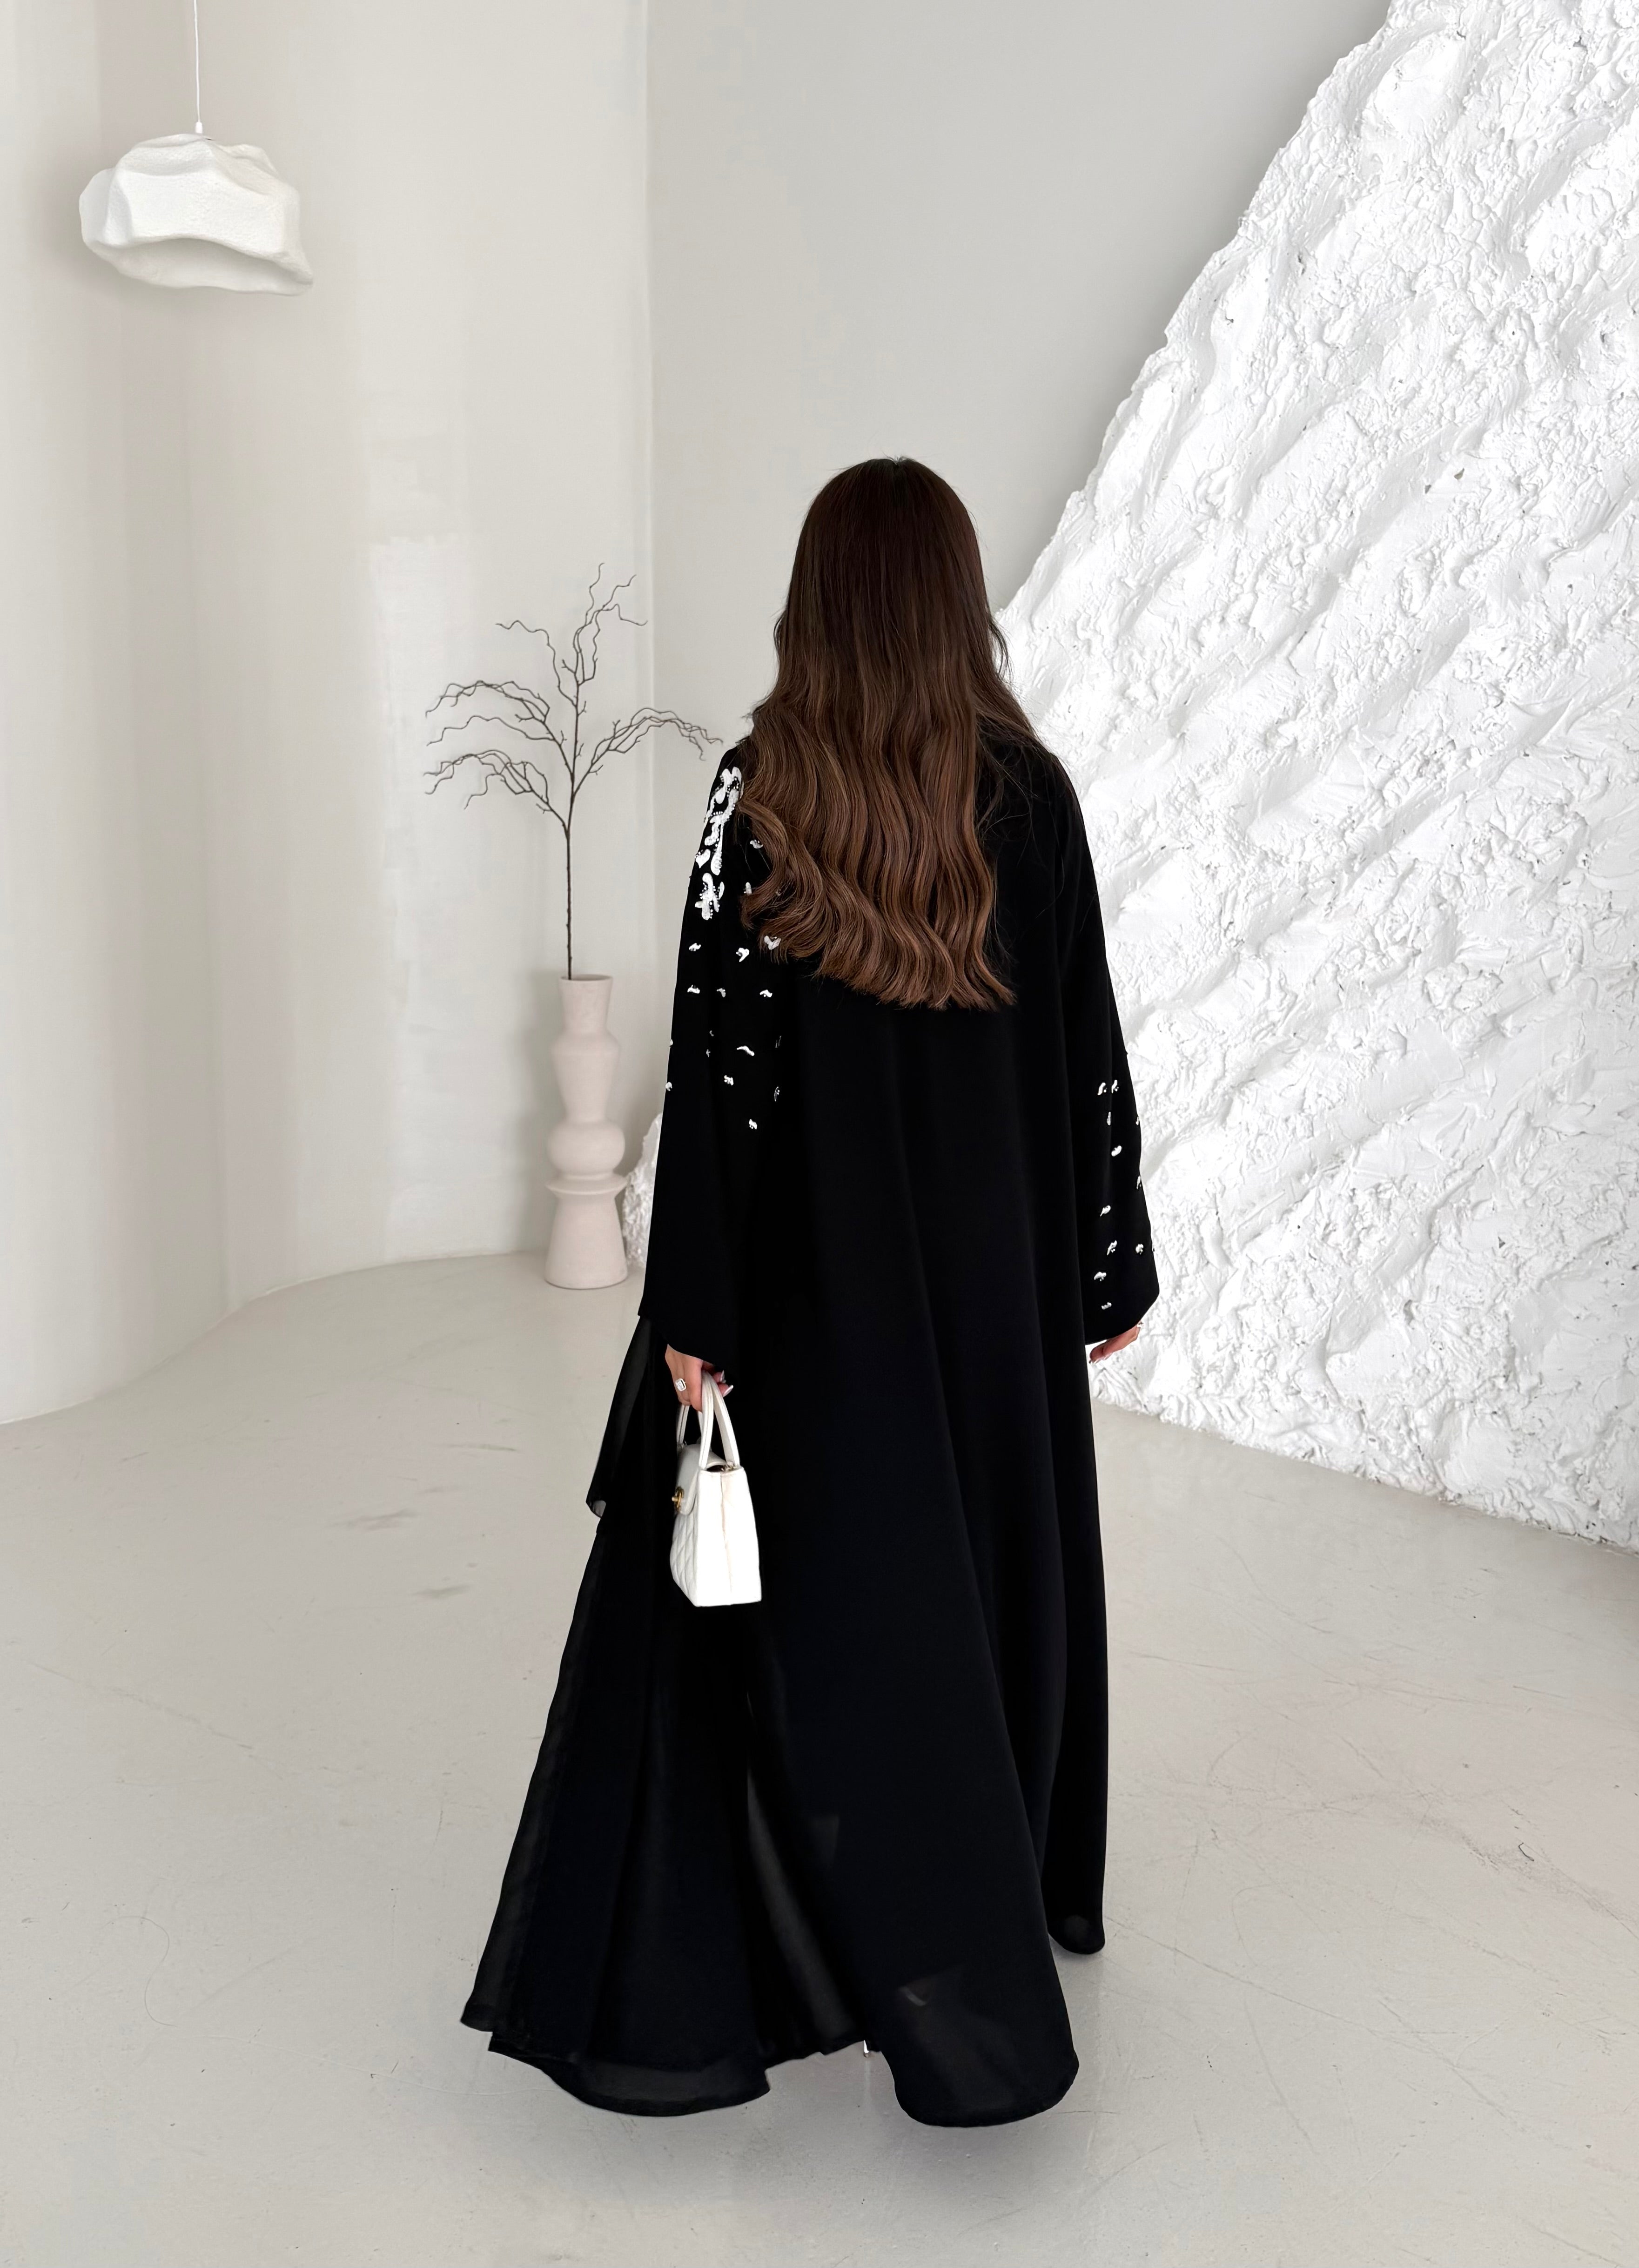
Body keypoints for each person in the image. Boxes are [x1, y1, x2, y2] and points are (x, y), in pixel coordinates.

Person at [461, 457, 1159, 2128]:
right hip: (992, 1308)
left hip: (820, 1309)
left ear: (818, 602)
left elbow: (717, 1083)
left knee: (835, 1603)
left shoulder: (758, 793)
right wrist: (1105, 1262)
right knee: (991, 1580)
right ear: (955, 603)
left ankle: (836, 1913)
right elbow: (1087, 1057)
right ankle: (994, 1886)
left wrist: (697, 1312)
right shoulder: (1030, 798)